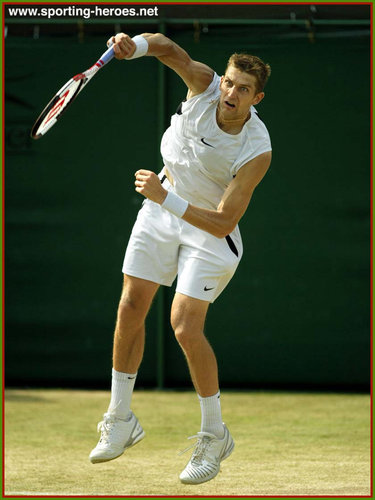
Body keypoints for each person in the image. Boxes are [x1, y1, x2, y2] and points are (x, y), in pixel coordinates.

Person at [89, 31, 272, 485]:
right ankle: (120, 417)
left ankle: (215, 435)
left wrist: (163, 197)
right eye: (229, 82)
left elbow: (225, 221)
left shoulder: (256, 148)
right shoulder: (204, 86)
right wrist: (135, 44)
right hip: (162, 208)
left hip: (209, 233)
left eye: (243, 88)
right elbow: (169, 48)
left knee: (185, 326)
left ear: (257, 97)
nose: (230, 93)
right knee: (131, 305)